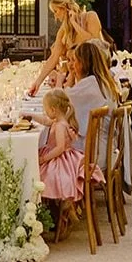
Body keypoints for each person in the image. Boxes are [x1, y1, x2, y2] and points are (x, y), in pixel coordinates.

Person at [37, 89, 95, 239]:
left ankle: (59, 213)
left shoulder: (61, 126)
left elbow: (60, 148)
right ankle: (63, 211)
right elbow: (45, 121)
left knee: (42, 175)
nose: (45, 113)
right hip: (69, 157)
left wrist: (44, 159)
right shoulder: (60, 120)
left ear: (53, 110)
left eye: (46, 110)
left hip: (60, 158)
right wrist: (29, 115)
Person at [28, 0, 95, 95]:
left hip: (94, 76)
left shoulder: (90, 17)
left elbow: (92, 42)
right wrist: (38, 82)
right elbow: (54, 57)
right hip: (77, 77)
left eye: (56, 11)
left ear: (64, 7)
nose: (55, 16)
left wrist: (74, 23)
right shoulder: (63, 30)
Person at [67, 41, 120, 165]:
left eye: (75, 61)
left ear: (83, 64)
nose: (72, 65)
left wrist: (65, 78)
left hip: (94, 155)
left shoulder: (90, 85)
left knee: (50, 155)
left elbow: (60, 103)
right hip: (106, 148)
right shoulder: (102, 82)